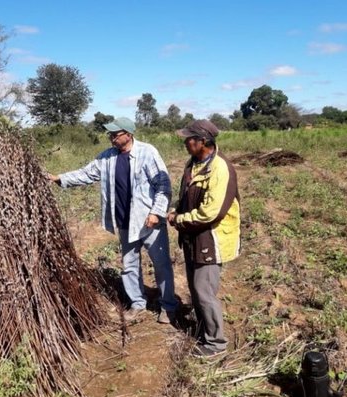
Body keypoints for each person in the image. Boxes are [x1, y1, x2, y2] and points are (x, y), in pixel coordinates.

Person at [47, 117, 177, 324]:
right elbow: (86, 173)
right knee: (129, 265)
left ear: (128, 134)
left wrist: (156, 212)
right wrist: (59, 178)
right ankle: (137, 303)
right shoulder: (107, 157)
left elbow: (163, 184)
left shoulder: (147, 152)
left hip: (149, 220)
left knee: (161, 265)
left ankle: (168, 306)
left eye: (115, 135)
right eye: (110, 134)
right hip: (125, 221)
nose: (111, 138)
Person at [168, 120, 240, 357]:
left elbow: (211, 212)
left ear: (203, 142)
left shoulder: (220, 168)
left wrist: (178, 219)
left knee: (203, 291)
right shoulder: (194, 163)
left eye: (189, 138)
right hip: (193, 236)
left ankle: (216, 344)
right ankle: (203, 329)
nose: (185, 142)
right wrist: (177, 210)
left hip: (211, 239)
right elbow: (186, 196)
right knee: (195, 287)